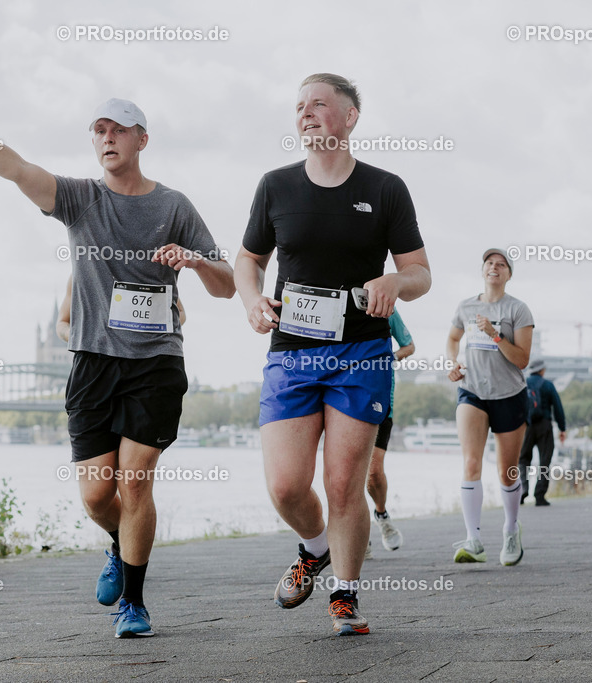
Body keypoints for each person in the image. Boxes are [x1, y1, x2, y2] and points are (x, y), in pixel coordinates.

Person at [0, 99, 235, 638]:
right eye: (99, 130)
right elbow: (16, 167)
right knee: (96, 497)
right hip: (93, 366)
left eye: (119, 130)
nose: (107, 138)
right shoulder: (81, 199)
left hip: (156, 364)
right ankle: (118, 543)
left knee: (136, 484)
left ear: (142, 139)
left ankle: (133, 604)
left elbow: (226, 286)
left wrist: (196, 261)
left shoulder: (175, 206)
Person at [235, 74, 430, 636]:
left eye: (318, 103)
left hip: (361, 352)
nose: (305, 112)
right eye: (299, 106)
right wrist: (252, 300)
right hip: (292, 353)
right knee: (286, 487)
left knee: (344, 484)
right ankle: (314, 548)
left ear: (350, 116)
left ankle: (345, 594)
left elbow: (420, 272)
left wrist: (395, 281)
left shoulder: (386, 188)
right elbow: (248, 260)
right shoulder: (275, 186)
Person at [447, 248, 533, 566]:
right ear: (483, 270)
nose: (494, 267)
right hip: (472, 391)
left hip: (509, 393)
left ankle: (511, 529)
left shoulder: (518, 309)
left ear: (509, 274)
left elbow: (522, 359)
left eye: (501, 264)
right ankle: (474, 540)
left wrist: (495, 335)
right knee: (471, 463)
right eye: (489, 263)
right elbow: (453, 339)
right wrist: (453, 362)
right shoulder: (466, 306)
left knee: (506, 472)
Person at [366, 309, 415, 556]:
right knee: (346, 473)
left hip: (381, 399)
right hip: (345, 396)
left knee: (373, 472)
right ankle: (356, 533)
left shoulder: (388, 309)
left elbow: (409, 346)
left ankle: (381, 514)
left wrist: (389, 358)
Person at [56, 274, 186, 342]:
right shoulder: (83, 271)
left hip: (150, 361)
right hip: (96, 362)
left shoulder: (147, 268)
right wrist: (77, 336)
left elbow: (180, 312)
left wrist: (149, 333)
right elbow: (62, 322)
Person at [517, 359, 566, 507]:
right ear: (542, 370)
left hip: (527, 425)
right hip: (545, 426)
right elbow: (558, 407)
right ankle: (539, 495)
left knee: (523, 459)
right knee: (544, 461)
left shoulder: (523, 383)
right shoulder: (548, 385)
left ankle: (523, 489)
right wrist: (562, 428)